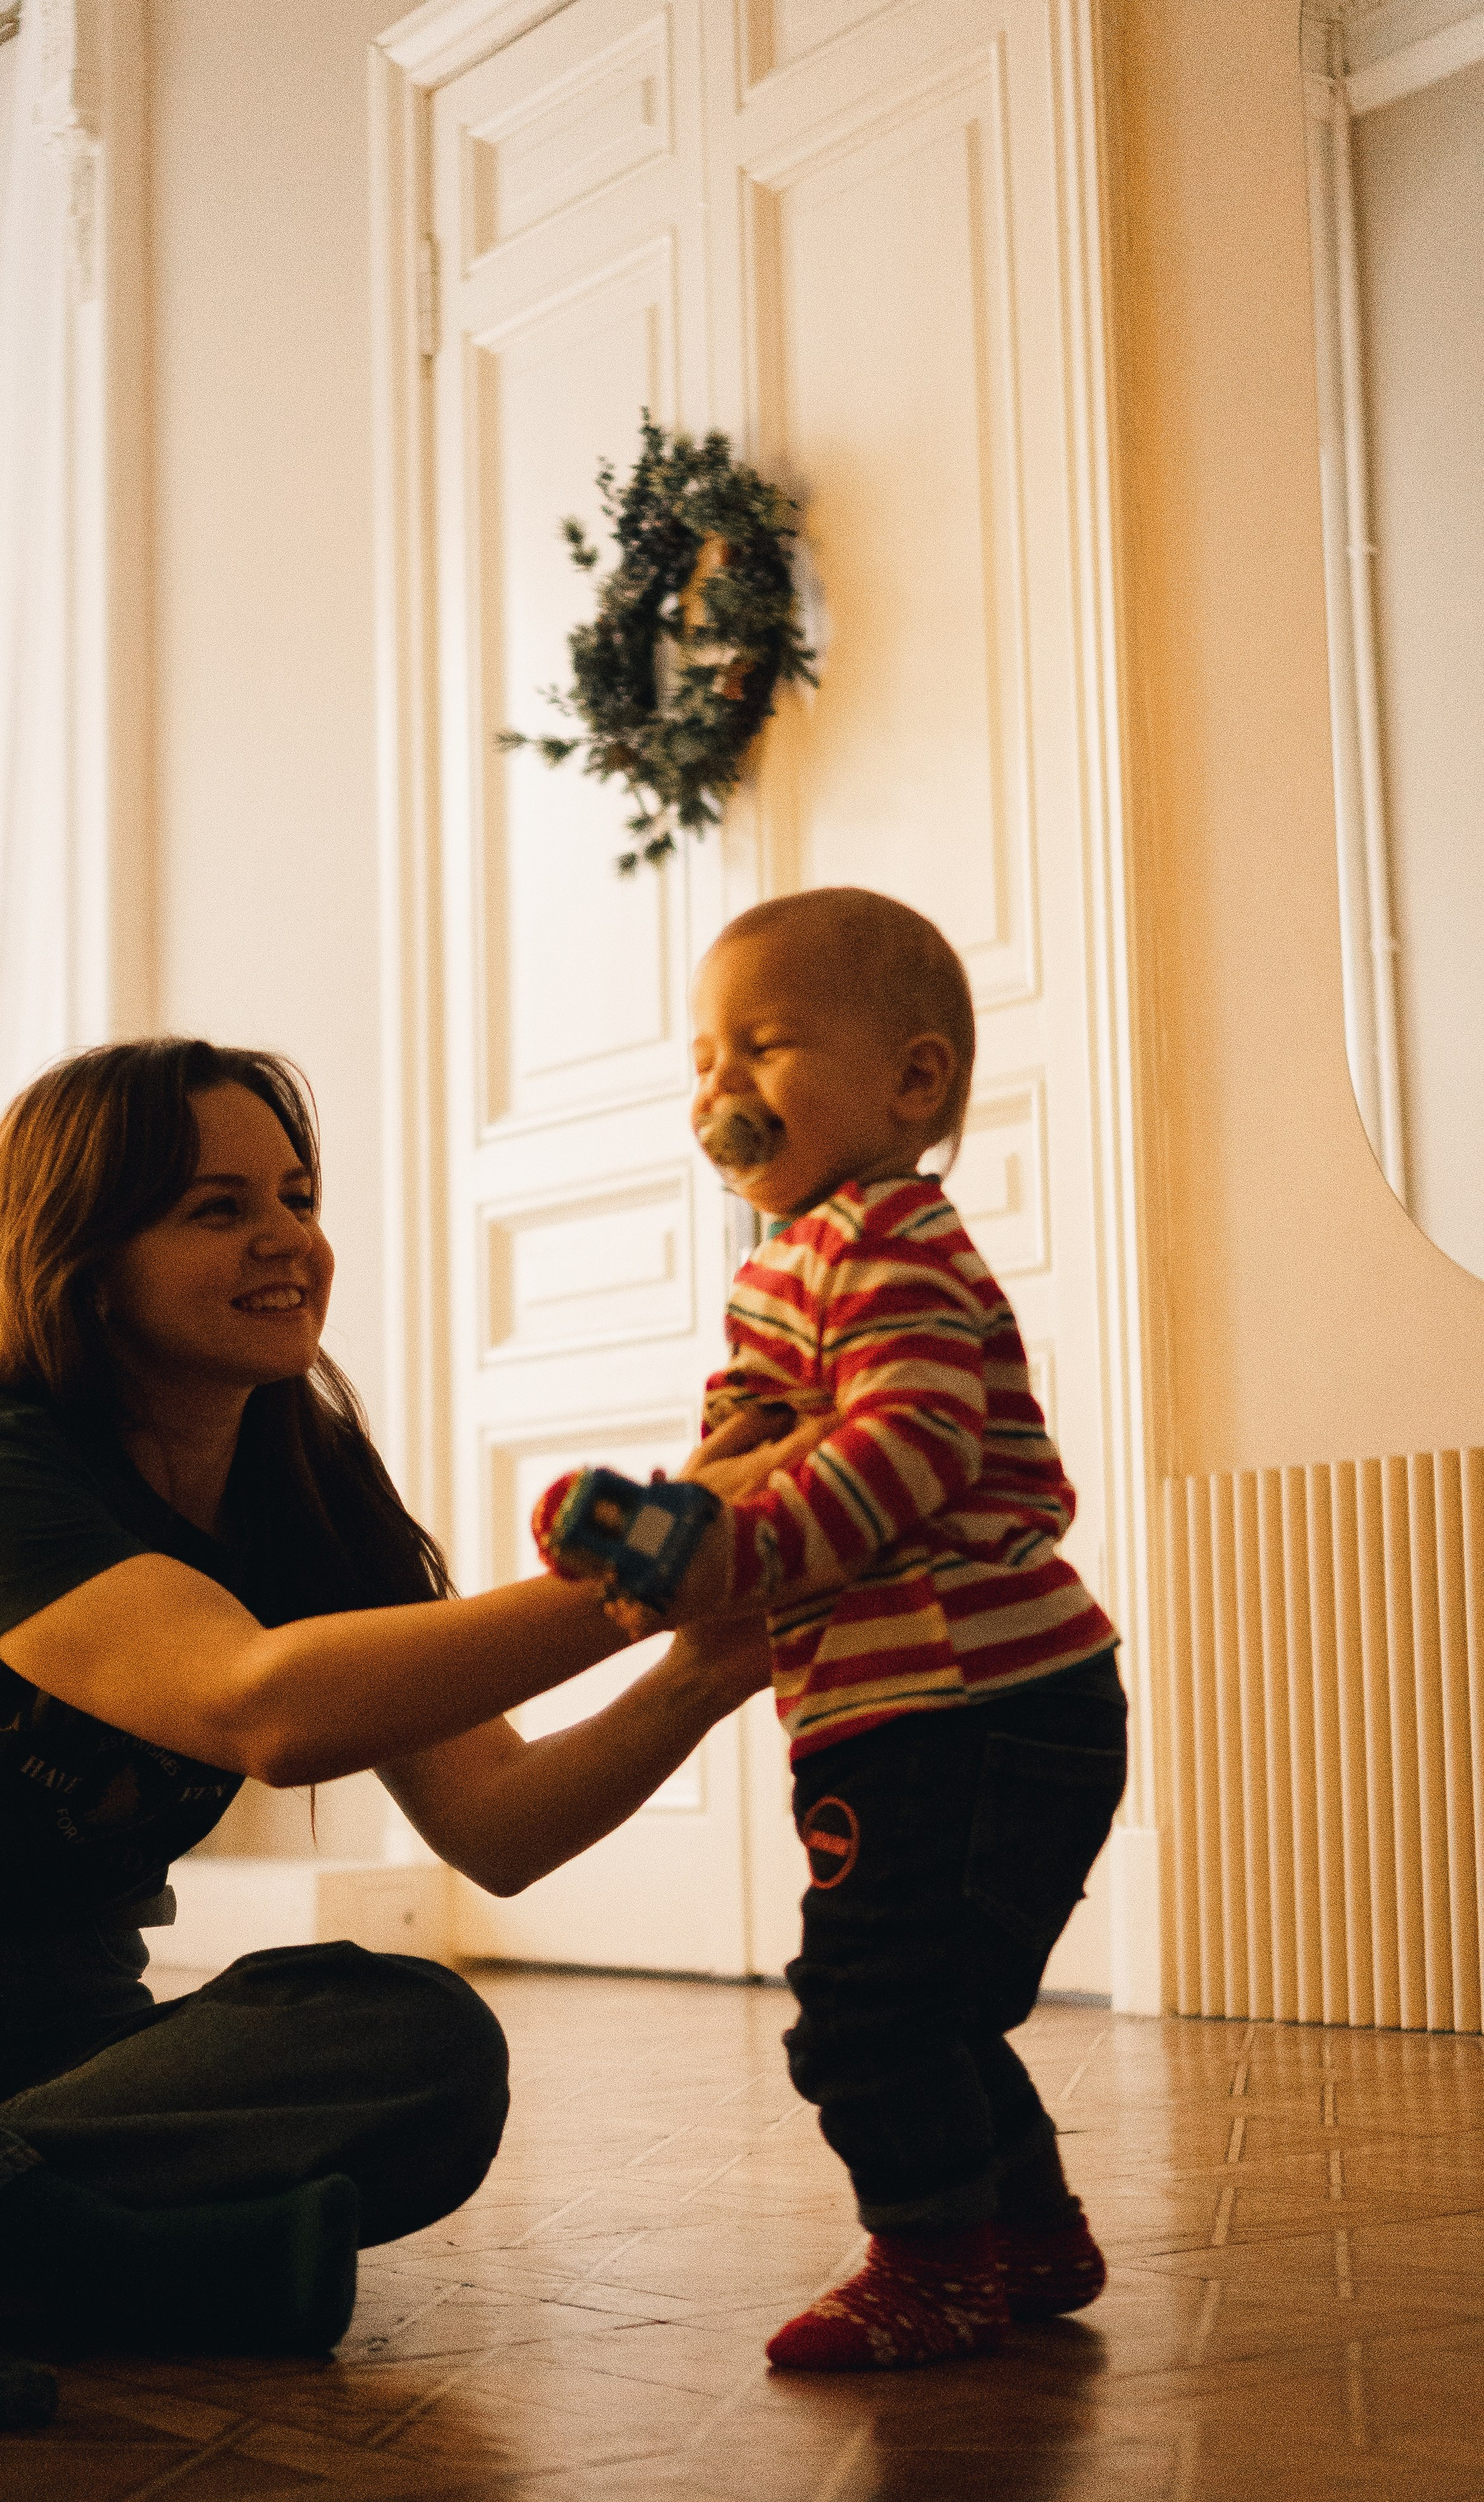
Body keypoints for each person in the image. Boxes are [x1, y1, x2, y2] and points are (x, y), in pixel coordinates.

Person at [0, 1039, 795, 2359]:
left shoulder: (310, 1485)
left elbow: (496, 1821)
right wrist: (648, 1566)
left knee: (420, 2039)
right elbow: (256, 1708)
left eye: (297, 1197)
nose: (289, 1240)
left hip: (64, 2053)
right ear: (85, 1260)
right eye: (218, 1209)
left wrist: (703, 1668)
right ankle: (90, 2265)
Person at [533, 887, 1128, 2374]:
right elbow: (758, 1432)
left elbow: (907, 1446)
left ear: (910, 1083)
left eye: (766, 1046)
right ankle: (1027, 2231)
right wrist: (655, 1522)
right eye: (701, 1060)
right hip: (895, 1707)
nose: (718, 1088)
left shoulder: (888, 1239)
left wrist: (732, 1546)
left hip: (981, 1703)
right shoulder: (792, 1260)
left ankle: (929, 2262)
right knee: (927, 1995)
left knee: (869, 2011)